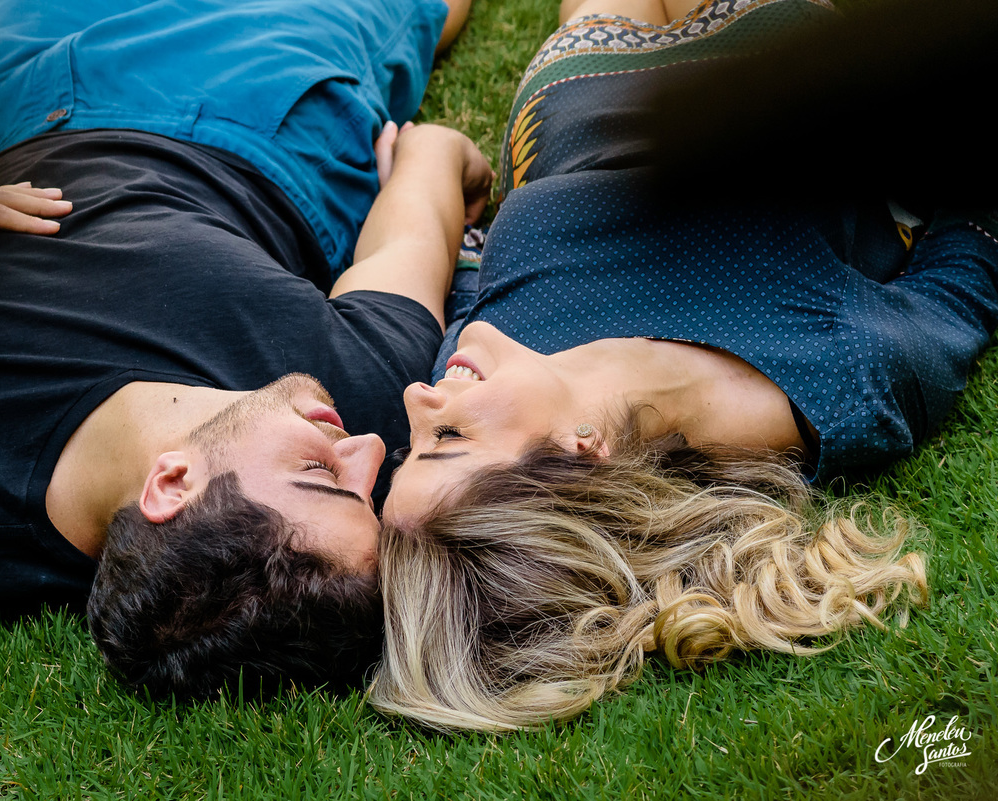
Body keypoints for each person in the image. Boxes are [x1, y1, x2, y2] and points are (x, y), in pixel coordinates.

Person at [0, 0, 491, 699]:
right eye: (367, 495)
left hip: (19, 106)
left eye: (320, 474)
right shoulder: (352, 383)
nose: (371, 448)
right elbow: (424, 184)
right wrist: (437, 159)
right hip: (263, 112)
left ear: (172, 484)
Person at [367, 0, 993, 730]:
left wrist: (436, 200)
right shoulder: (835, 382)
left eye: (414, 446)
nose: (417, 396)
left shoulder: (475, 362)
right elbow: (972, 254)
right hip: (754, 74)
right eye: (448, 439)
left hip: (567, 96)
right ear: (580, 456)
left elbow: (477, 284)